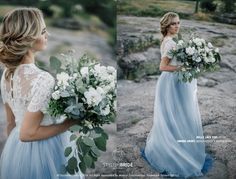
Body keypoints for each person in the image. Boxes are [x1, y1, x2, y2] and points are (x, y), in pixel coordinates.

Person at [0, 7, 83, 179]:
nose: (48, 34)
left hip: (17, 150)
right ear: (28, 38)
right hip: (46, 149)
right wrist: (69, 122)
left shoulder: (6, 75)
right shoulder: (43, 79)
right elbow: (27, 133)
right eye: (43, 31)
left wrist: (17, 156)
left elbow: (11, 124)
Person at [141, 12, 213, 178]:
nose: (177, 26)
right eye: (173, 23)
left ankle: (177, 145)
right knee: (175, 116)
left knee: (177, 116)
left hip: (175, 82)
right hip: (171, 84)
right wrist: (183, 68)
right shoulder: (169, 44)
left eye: (178, 23)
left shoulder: (172, 41)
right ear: (167, 26)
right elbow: (162, 66)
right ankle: (172, 152)